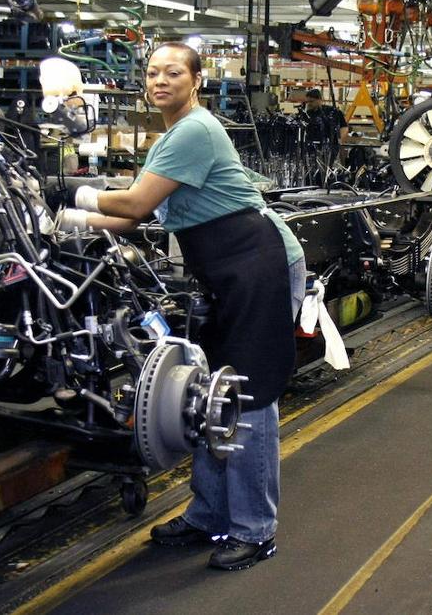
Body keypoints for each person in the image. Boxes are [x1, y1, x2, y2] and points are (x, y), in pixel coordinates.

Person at [58, 42, 306, 571]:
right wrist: (60, 226)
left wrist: (67, 194)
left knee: (249, 396)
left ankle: (254, 529)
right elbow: (127, 222)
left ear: (196, 80)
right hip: (224, 271)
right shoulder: (170, 137)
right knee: (208, 395)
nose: (160, 80)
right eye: (152, 73)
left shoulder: (195, 129)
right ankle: (209, 515)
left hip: (257, 264)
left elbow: (133, 204)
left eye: (173, 72)